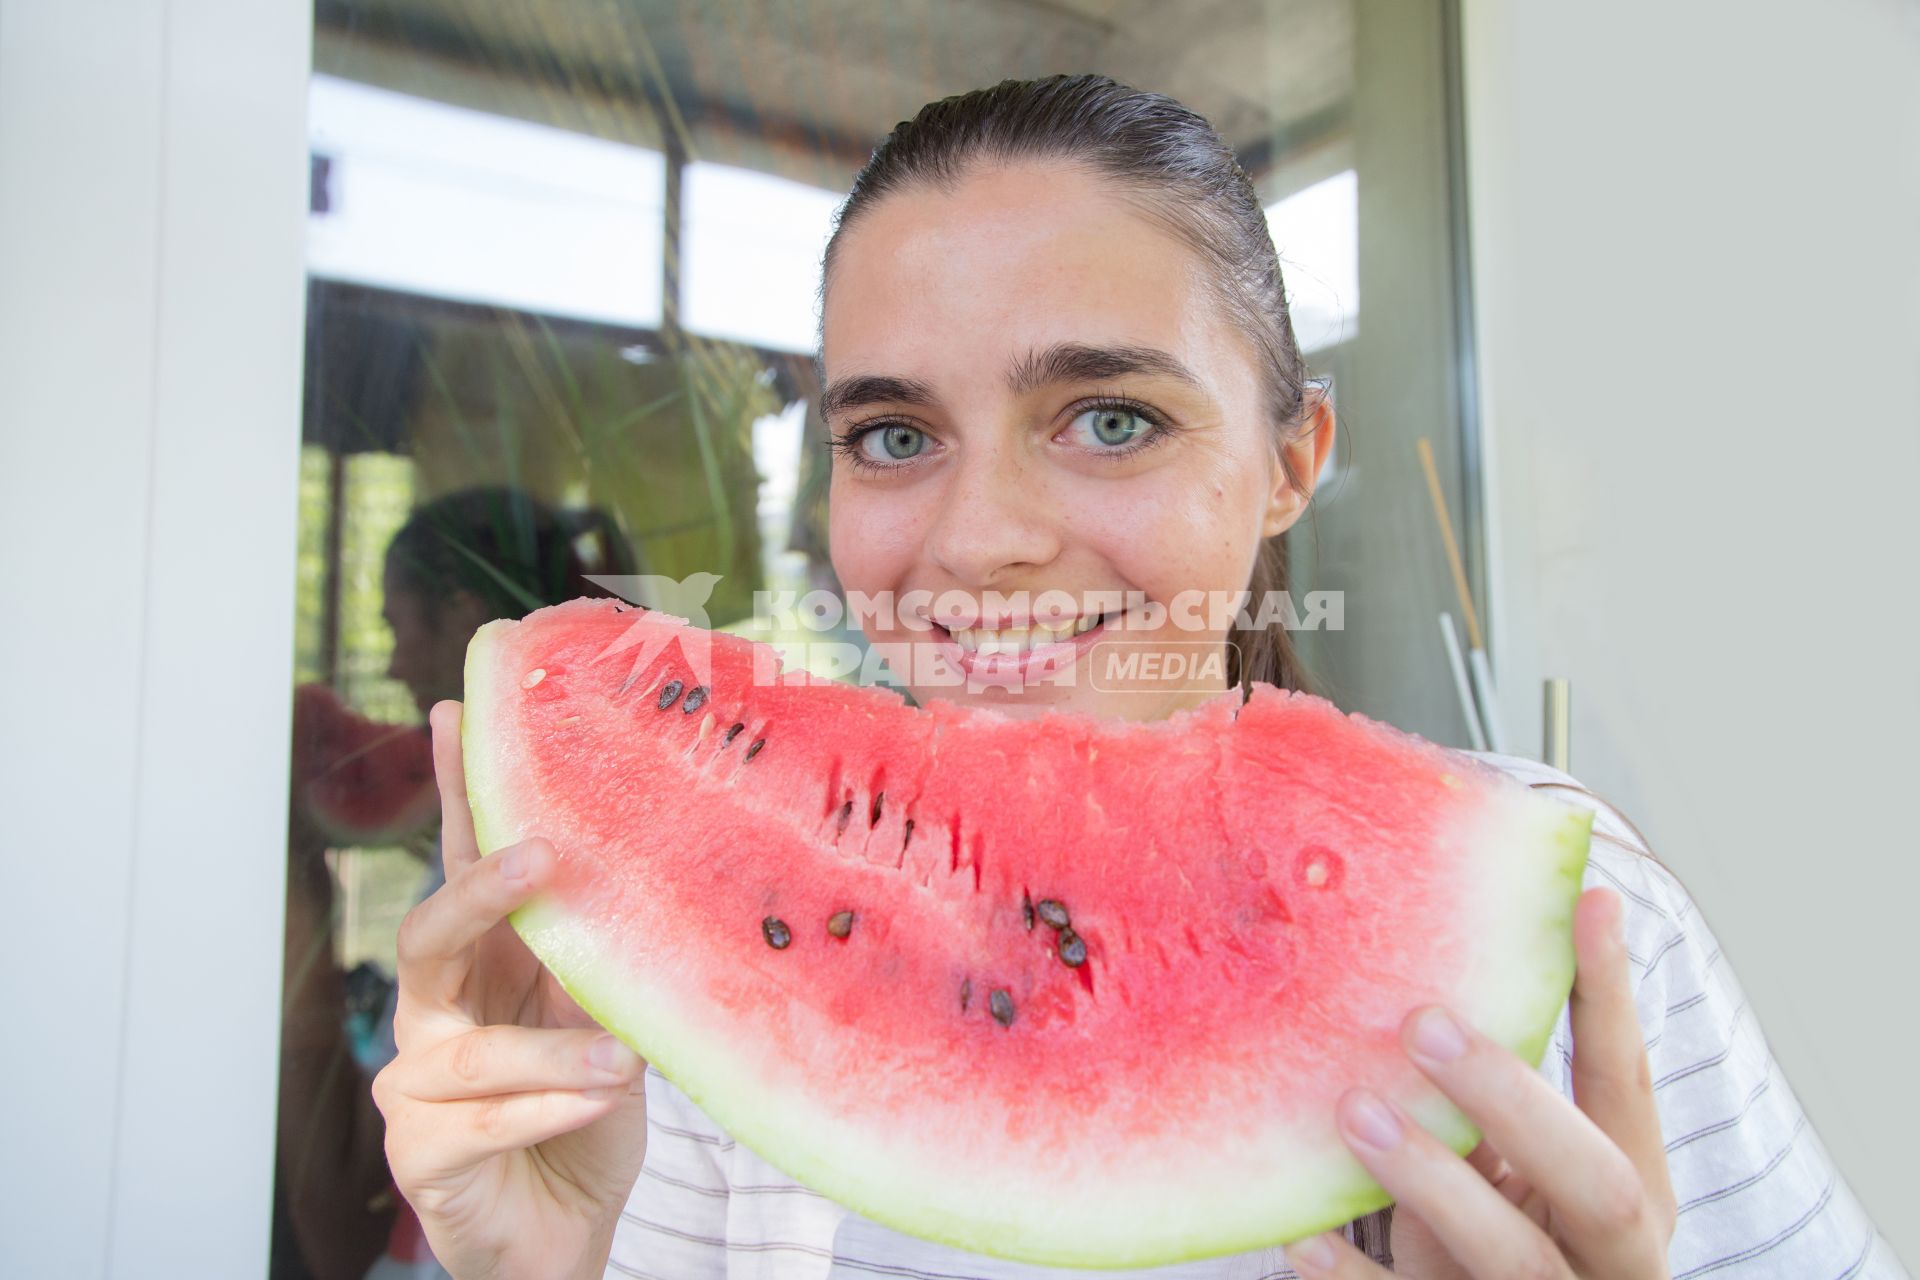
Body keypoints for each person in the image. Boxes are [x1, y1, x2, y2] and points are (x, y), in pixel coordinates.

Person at [369, 77, 1907, 1279]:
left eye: (1110, 418)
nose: (980, 544)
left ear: (1291, 460)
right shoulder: (659, 1000)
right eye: (893, 437)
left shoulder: (1567, 923)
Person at [275, 486, 636, 1280]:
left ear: (464, 609)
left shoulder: (479, 889)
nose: (395, 662)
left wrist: (299, 890)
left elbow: (338, 1218)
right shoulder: (599, 860)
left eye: (398, 627)